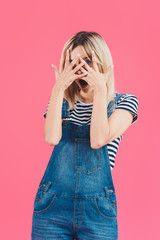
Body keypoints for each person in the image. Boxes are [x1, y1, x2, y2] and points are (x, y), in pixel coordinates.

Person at [31, 31, 139, 240]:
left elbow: (99, 139)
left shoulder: (124, 103)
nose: (80, 69)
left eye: (87, 61)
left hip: (97, 210)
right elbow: (51, 138)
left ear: (102, 61)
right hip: (52, 206)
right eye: (73, 63)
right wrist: (59, 88)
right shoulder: (62, 102)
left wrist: (100, 91)